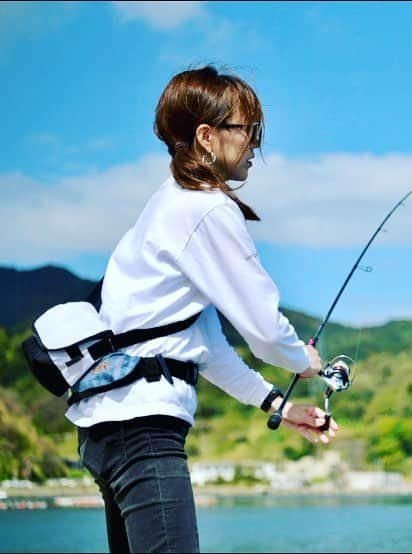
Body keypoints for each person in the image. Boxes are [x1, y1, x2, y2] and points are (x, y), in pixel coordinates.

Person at [67, 65, 338, 553]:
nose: (256, 145)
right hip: (144, 430)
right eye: (249, 130)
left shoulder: (167, 206)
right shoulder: (205, 209)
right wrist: (306, 361)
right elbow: (264, 331)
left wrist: (276, 404)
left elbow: (206, 346)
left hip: (111, 429)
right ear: (207, 136)